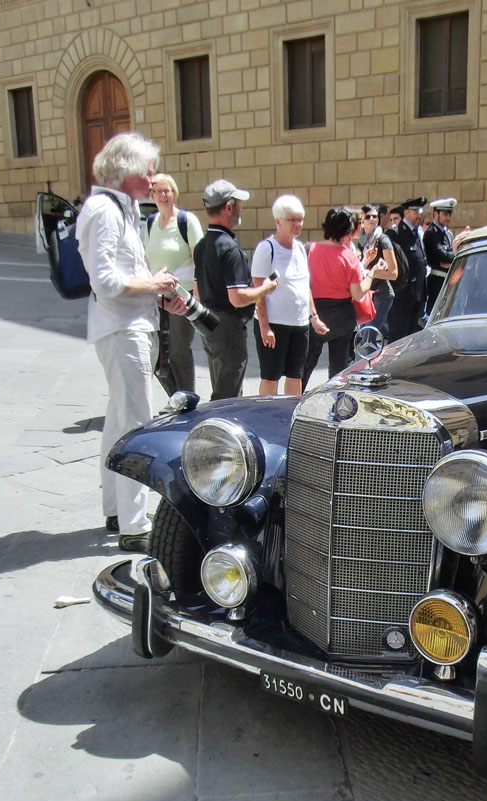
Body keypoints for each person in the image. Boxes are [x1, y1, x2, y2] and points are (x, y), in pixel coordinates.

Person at [76, 131, 188, 551]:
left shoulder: (117, 208)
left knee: (119, 422)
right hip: (122, 331)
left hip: (127, 327)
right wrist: (155, 284)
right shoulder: (104, 211)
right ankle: (135, 523)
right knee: (137, 424)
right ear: (125, 170)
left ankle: (117, 508)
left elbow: (120, 277)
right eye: (148, 169)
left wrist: (157, 291)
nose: (154, 176)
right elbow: (106, 282)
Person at [193, 179, 277, 400]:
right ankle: (216, 431)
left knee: (223, 386)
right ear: (229, 207)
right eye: (238, 203)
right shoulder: (229, 248)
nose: (241, 208)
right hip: (228, 327)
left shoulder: (203, 245)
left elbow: (197, 290)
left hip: (209, 322)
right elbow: (238, 298)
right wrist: (265, 288)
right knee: (226, 395)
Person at [251, 195, 324, 395]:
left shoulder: (300, 248)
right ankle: (266, 417)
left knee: (296, 375)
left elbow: (304, 285)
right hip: (275, 324)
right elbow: (259, 292)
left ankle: (290, 417)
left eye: (300, 219)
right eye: (292, 220)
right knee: (271, 376)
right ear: (278, 221)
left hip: (300, 324)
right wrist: (264, 327)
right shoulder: (267, 249)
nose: (298, 224)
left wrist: (314, 316)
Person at [303, 207, 376, 387]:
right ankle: (336, 402)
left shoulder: (309, 249)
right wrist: (372, 274)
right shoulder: (349, 257)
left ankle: (295, 397)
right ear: (347, 232)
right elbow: (358, 294)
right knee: (338, 367)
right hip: (343, 313)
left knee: (307, 363)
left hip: (316, 311)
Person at [144, 173, 203, 391]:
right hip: (157, 296)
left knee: (178, 351)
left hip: (181, 295)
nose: (163, 195)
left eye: (167, 190)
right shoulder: (150, 223)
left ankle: (188, 399)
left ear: (174, 193)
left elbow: (200, 261)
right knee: (158, 353)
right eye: (158, 191)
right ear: (152, 195)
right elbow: (145, 259)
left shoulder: (187, 221)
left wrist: (195, 297)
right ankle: (175, 396)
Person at [388, 197, 427, 339]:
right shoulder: (396, 234)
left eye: (421, 211)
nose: (419, 215)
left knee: (412, 337)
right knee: (398, 337)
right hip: (403, 296)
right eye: (416, 211)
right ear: (406, 213)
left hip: (417, 294)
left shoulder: (416, 232)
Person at [359, 204, 399, 335]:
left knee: (368, 339)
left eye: (375, 216)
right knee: (362, 338)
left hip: (383, 293)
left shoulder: (383, 240)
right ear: (362, 220)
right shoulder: (362, 240)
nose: (372, 219)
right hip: (368, 294)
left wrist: (371, 272)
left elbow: (393, 273)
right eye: (368, 216)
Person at [425, 198, 467, 315]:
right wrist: (454, 253)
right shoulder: (431, 233)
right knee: (435, 313)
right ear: (435, 213)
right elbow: (443, 256)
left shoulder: (448, 233)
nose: (448, 217)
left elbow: (449, 257)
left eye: (450, 213)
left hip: (449, 278)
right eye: (445, 213)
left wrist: (451, 255)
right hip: (437, 279)